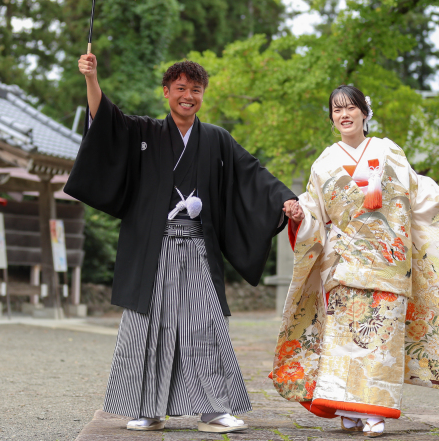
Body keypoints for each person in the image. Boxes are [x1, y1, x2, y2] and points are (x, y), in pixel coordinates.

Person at [64, 54, 297, 433]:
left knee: (205, 323)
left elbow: (251, 172)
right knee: (147, 325)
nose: (188, 96)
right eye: (181, 89)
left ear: (202, 94)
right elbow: (106, 121)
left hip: (197, 248)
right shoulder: (143, 132)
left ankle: (213, 409)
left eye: (196, 90)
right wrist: (92, 79)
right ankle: (146, 408)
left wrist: (285, 199)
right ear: (166, 92)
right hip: (152, 249)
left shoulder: (217, 139)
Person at [273, 85, 439, 438]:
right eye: (337, 110)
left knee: (380, 341)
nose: (344, 115)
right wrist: (299, 213)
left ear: (364, 112)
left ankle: (374, 411)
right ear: (331, 118)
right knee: (344, 339)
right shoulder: (324, 164)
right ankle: (347, 408)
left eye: (350, 108)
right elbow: (314, 209)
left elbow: (422, 195)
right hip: (343, 265)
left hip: (389, 263)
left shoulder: (390, 153)